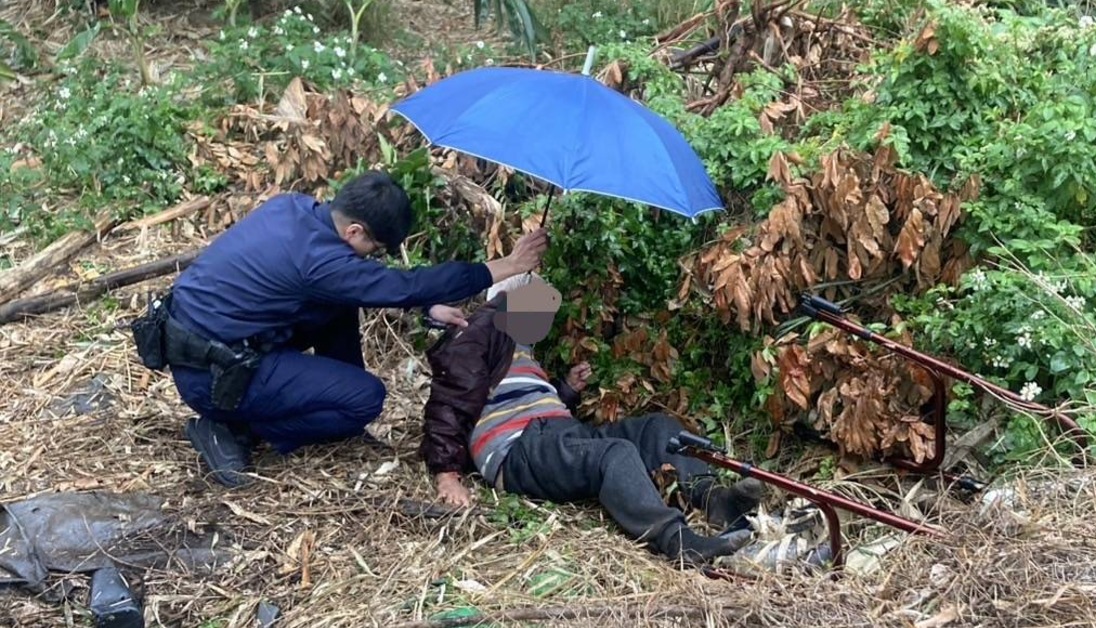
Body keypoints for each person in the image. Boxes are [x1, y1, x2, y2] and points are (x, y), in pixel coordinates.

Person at [132, 170, 548, 487]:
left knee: (339, 304)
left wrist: (427, 307)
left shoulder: (292, 208)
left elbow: (364, 286)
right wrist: (506, 266)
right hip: (215, 377)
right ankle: (233, 427)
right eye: (375, 249)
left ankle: (304, 399)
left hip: (212, 344)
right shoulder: (321, 265)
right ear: (354, 231)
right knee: (365, 400)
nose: (374, 258)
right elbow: (396, 284)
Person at [420, 272, 764, 564]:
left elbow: (530, 401)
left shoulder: (520, 349)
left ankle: (713, 499)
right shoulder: (472, 335)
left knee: (658, 428)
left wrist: (566, 390)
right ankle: (677, 540)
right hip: (517, 449)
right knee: (614, 454)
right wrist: (446, 474)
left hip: (558, 433)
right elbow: (448, 403)